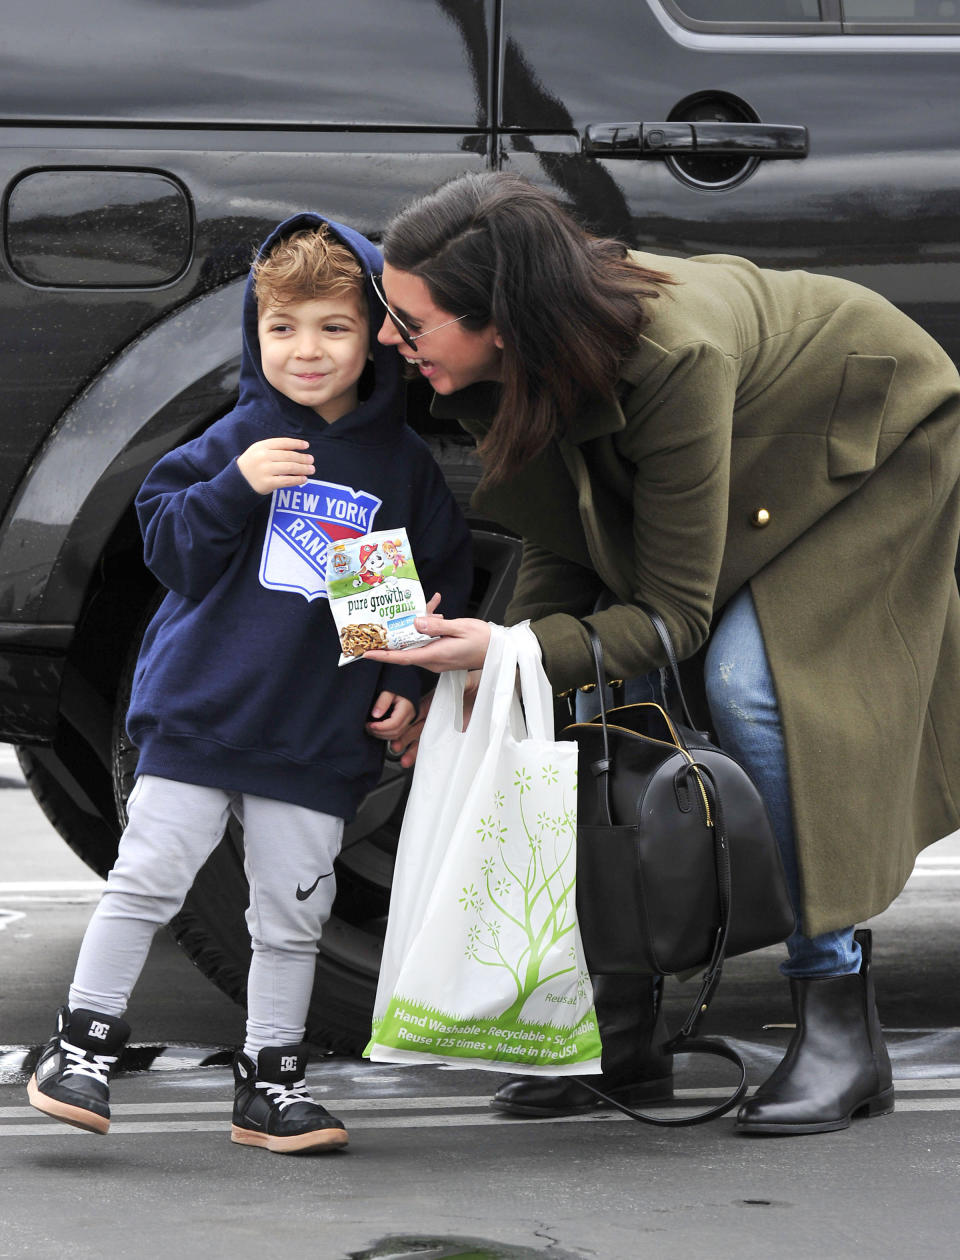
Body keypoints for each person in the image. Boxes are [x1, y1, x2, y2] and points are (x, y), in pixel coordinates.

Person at [362, 171, 960, 1136]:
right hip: (752, 436)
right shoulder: (523, 352)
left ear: (501, 323)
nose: (389, 337)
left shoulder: (673, 359)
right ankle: (624, 1034)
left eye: (411, 320)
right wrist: (502, 658)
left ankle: (843, 1024)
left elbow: (674, 614)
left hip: (865, 436)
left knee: (749, 684)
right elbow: (564, 540)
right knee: (593, 671)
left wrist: (516, 649)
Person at [26, 213, 472, 1153]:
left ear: (375, 336)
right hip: (201, 713)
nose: (306, 351)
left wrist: (402, 680)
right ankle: (82, 1047)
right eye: (283, 329)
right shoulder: (236, 438)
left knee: (292, 914)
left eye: (334, 328)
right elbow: (173, 555)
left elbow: (422, 586)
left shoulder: (399, 468)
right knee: (146, 878)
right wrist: (237, 484)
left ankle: (270, 1080)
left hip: (313, 735)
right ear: (254, 332)